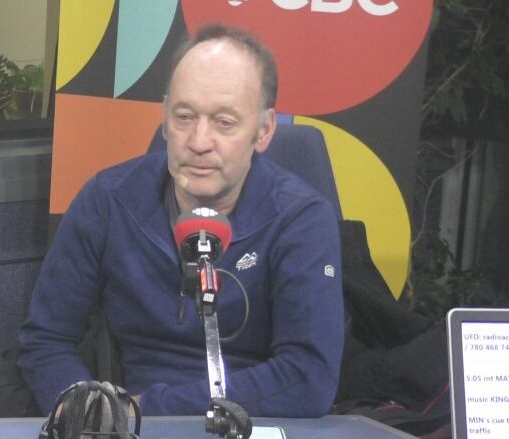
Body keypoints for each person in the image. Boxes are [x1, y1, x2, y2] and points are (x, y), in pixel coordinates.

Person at [17, 23, 344, 418]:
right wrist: (88, 414)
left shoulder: (301, 219)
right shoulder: (108, 199)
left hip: (253, 418)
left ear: (264, 130)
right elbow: (47, 340)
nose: (199, 141)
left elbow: (308, 377)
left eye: (224, 122)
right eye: (185, 117)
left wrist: (145, 409)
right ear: (165, 117)